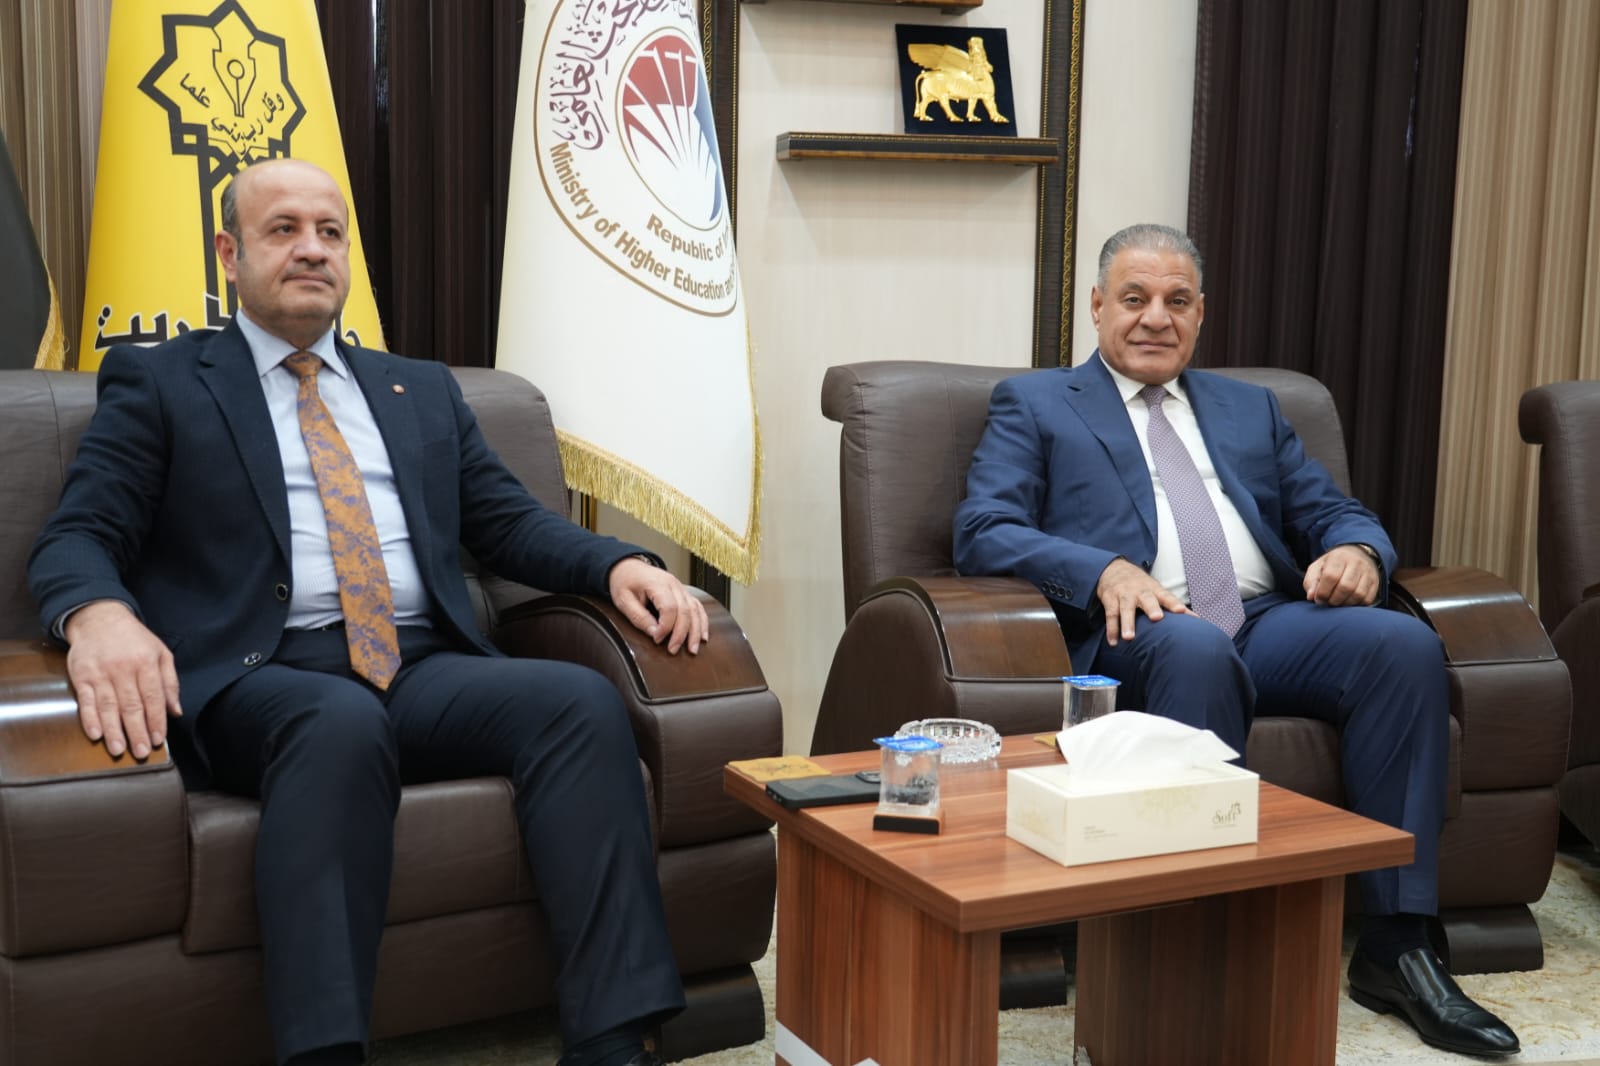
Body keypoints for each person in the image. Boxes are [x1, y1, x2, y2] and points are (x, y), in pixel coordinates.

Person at [27, 158, 696, 1066]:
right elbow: (78, 534)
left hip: (418, 667)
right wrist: (98, 613)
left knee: (578, 706)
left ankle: (615, 1041)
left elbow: (507, 522)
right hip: (266, 676)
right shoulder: (163, 382)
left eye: (329, 232)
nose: (312, 249)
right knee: (338, 721)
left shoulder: (417, 387)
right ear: (229, 253)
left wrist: (615, 561)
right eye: (283, 230)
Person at [953, 223, 1519, 1059]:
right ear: (1098, 305)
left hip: (1265, 619)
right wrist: (1101, 568)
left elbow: (1333, 512)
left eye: (1177, 301)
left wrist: (1359, 553)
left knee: (1398, 645)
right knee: (1195, 649)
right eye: (1135, 298)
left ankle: (1397, 944)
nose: (1156, 318)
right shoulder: (1036, 403)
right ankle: (1194, 947)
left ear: (1201, 314)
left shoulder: (1248, 408)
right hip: (1139, 632)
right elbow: (983, 528)